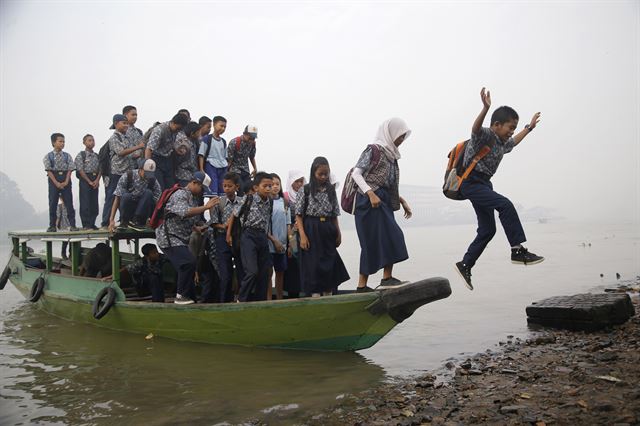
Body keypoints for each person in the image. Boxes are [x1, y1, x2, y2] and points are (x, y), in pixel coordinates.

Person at [455, 88, 544, 290]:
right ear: (496, 125)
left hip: (484, 184)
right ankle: (517, 250)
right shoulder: (485, 135)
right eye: (510, 127)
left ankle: (465, 264)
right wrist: (485, 109)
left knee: (488, 230)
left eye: (514, 127)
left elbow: (514, 142)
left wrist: (528, 128)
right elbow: (475, 128)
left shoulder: (502, 143)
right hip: (471, 182)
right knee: (505, 205)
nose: (512, 131)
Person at [352, 118, 413, 293]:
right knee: (370, 242)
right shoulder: (373, 150)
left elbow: (386, 184)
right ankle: (362, 286)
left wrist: (401, 200)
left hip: (382, 200)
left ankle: (387, 278)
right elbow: (357, 174)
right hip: (367, 201)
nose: (401, 141)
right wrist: (370, 194)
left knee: (392, 237)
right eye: (399, 136)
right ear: (390, 133)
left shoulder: (392, 156)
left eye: (403, 137)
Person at [155, 171, 218, 304]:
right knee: (188, 262)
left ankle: (191, 299)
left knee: (187, 267)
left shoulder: (193, 198)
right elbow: (184, 212)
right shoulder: (181, 194)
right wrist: (206, 207)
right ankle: (180, 296)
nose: (202, 192)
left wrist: (196, 228)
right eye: (202, 188)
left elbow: (186, 219)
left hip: (180, 238)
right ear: (194, 183)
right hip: (169, 237)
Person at [296, 157, 349, 297]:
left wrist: (338, 233)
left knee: (329, 261)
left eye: (326, 174)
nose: (323, 177)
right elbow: (299, 215)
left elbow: (334, 214)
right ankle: (315, 295)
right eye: (320, 174)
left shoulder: (331, 190)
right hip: (311, 228)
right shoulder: (305, 190)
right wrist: (302, 235)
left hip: (328, 227)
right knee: (313, 264)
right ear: (314, 172)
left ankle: (328, 293)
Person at [226, 172, 273, 302]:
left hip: (262, 237)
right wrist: (228, 234)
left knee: (265, 272)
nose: (268, 188)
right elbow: (234, 216)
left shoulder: (270, 202)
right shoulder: (248, 199)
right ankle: (241, 298)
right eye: (265, 186)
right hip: (248, 236)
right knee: (252, 271)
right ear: (256, 187)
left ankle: (260, 301)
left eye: (270, 185)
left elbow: (267, 221)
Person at [102, 114, 144, 229]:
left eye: (126, 123)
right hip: (117, 171)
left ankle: (124, 220)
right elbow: (121, 152)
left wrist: (142, 152)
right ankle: (106, 222)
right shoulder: (114, 138)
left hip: (128, 173)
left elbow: (132, 155)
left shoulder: (127, 138)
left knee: (126, 197)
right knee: (112, 196)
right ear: (116, 124)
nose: (126, 125)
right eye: (123, 123)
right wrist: (138, 146)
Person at [209, 172, 244, 302]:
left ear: (237, 187)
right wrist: (226, 227)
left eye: (230, 186)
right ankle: (224, 301)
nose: (227, 188)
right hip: (222, 239)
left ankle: (242, 299)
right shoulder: (219, 202)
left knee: (242, 271)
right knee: (225, 274)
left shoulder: (242, 201)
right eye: (224, 186)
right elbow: (213, 223)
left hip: (239, 239)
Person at [108, 159, 162, 232]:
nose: (147, 176)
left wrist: (152, 219)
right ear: (140, 169)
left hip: (143, 213)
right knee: (126, 196)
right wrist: (111, 220)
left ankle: (138, 221)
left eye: (150, 174)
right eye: (146, 173)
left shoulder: (153, 180)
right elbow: (117, 198)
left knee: (148, 193)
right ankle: (124, 221)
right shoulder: (128, 176)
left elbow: (157, 201)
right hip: (129, 209)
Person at [144, 113, 189, 191]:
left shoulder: (177, 131)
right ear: (173, 122)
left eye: (180, 129)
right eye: (177, 128)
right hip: (156, 160)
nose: (178, 131)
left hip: (168, 160)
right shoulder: (160, 130)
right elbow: (149, 149)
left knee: (171, 187)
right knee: (159, 187)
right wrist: (148, 166)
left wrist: (178, 151)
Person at [44, 133, 78, 232]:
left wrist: (66, 181)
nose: (62, 143)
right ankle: (52, 226)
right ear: (53, 143)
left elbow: (70, 170)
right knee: (53, 203)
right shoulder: (48, 156)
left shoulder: (67, 156)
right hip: (53, 180)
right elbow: (49, 171)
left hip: (65, 179)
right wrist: (56, 183)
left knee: (69, 203)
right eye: (60, 141)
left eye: (63, 142)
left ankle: (72, 225)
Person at [267, 173, 291, 300]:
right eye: (272, 185)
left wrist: (290, 244)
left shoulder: (285, 202)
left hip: (282, 245)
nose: (275, 187)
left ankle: (280, 298)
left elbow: (288, 224)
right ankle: (269, 299)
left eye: (277, 184)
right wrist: (273, 240)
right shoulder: (265, 203)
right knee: (268, 273)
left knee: (280, 273)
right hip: (269, 244)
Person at [282, 170, 305, 298]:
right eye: (297, 181)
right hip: (291, 236)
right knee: (292, 266)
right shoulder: (286, 198)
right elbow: (285, 220)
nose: (300, 184)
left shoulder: (305, 196)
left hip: (304, 235)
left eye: (302, 181)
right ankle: (292, 294)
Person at [74, 134, 101, 230]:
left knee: (94, 203)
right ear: (84, 142)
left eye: (93, 140)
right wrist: (89, 181)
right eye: (89, 140)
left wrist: (97, 180)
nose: (92, 142)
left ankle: (92, 223)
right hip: (85, 180)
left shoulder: (97, 156)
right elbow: (80, 170)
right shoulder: (81, 155)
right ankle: (86, 224)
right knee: (85, 202)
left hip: (95, 179)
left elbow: (100, 169)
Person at [198, 116, 228, 196]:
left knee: (223, 191)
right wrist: (201, 169)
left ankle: (221, 208)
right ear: (214, 125)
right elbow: (201, 155)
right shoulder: (207, 139)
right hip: (211, 166)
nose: (223, 128)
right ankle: (212, 208)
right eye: (221, 126)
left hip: (222, 167)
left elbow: (225, 157)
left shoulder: (224, 142)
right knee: (213, 191)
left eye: (224, 127)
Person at [227, 124, 257, 196]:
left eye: (253, 138)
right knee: (240, 189)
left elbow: (251, 156)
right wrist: (227, 172)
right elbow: (229, 159)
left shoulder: (252, 144)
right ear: (244, 134)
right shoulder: (234, 142)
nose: (251, 140)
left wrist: (255, 168)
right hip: (235, 170)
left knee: (250, 189)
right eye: (250, 138)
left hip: (246, 170)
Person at [174, 121, 201, 186]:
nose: (200, 134)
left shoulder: (195, 143)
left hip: (192, 175)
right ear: (192, 134)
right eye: (198, 133)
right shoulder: (184, 144)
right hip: (183, 175)